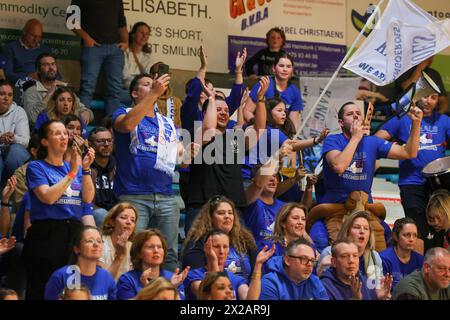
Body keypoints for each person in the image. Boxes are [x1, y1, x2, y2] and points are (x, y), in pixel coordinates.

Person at [112, 73, 184, 271]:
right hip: (134, 195)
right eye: (146, 84)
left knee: (168, 253)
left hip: (166, 195)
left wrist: (188, 153)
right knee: (131, 251)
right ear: (135, 93)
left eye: (153, 84)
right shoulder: (122, 112)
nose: (153, 86)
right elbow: (127, 125)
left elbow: (180, 160)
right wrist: (154, 93)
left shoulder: (168, 123)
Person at [22, 120, 95, 300]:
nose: (63, 136)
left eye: (64, 133)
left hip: (74, 233)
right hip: (46, 235)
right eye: (57, 133)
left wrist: (85, 170)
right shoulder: (36, 167)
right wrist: (71, 173)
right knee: (42, 289)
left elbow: (87, 198)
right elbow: (48, 197)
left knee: (71, 290)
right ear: (45, 141)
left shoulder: (75, 169)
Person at [375, 92, 450, 240]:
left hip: (438, 183)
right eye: (426, 96)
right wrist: (390, 146)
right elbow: (375, 140)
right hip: (411, 183)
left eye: (433, 97)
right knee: (419, 230)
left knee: (441, 229)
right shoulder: (402, 118)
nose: (429, 101)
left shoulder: (444, 120)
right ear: (417, 96)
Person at [322, 101, 422, 205]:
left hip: (364, 206)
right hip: (336, 206)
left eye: (358, 113)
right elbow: (339, 167)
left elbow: (409, 153)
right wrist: (356, 137)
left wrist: (416, 123)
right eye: (350, 114)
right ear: (341, 122)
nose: (355, 116)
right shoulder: (332, 140)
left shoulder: (372, 141)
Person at [70, 0, 128, 115]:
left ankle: (113, 126)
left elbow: (121, 23)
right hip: (93, 47)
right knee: (87, 87)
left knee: (115, 90)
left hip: (115, 49)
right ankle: (81, 126)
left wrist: (126, 42)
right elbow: (70, 20)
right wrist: (87, 38)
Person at [183, 229, 275, 300]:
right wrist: (213, 261)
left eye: (225, 247)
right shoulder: (194, 275)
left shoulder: (235, 279)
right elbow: (211, 296)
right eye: (216, 246)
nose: (222, 251)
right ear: (206, 248)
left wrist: (258, 265)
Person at [182, 196, 257, 280]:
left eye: (230, 213)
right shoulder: (197, 242)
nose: (227, 216)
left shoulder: (245, 240)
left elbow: (256, 273)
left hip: (245, 290)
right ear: (210, 218)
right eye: (221, 213)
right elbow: (195, 278)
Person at [44, 226, 116, 300]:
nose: (96, 244)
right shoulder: (60, 276)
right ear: (76, 249)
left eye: (99, 241)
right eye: (90, 241)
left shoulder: (106, 277)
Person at [116, 229, 189, 300]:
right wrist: (147, 291)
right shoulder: (127, 280)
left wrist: (172, 287)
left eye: (159, 247)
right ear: (139, 253)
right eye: (150, 247)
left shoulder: (173, 279)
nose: (156, 250)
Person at [22, 53, 92, 126]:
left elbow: (84, 110)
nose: (51, 67)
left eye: (53, 64)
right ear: (38, 70)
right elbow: (32, 119)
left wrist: (87, 113)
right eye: (46, 65)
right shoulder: (31, 91)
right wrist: (50, 92)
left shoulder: (65, 88)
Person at [317, 211, 383, 284]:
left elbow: (377, 287)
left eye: (366, 228)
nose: (362, 231)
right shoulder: (330, 252)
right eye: (357, 227)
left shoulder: (374, 257)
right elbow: (322, 285)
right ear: (347, 231)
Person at [244, 53, 302, 130]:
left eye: (288, 66)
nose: (285, 69)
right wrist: (258, 126)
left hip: (280, 133)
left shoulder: (295, 91)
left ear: (292, 70)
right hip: (258, 130)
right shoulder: (264, 83)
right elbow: (247, 111)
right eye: (281, 66)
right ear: (274, 69)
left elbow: (293, 124)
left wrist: (289, 137)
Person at [320, 240, 393, 300]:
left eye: (355, 256)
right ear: (334, 262)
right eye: (344, 256)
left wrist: (379, 298)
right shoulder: (324, 287)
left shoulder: (366, 282)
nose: (351, 261)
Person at [260, 238, 329, 300]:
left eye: (312, 260)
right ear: (288, 260)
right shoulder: (270, 283)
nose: (310, 264)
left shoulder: (315, 282)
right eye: (304, 258)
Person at [380, 218, 424, 290]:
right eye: (407, 235)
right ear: (395, 236)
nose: (411, 239)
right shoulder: (383, 258)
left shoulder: (420, 260)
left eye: (415, 235)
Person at [1, 19, 50, 83]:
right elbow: (7, 74)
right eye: (33, 36)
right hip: (22, 86)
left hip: (45, 85)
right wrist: (28, 76)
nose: (36, 40)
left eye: (39, 37)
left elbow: (56, 74)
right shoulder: (10, 48)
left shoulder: (45, 50)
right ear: (24, 32)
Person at [98, 202, 137, 281]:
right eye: (123, 217)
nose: (129, 222)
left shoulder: (134, 248)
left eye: (133, 220)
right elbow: (105, 281)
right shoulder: (99, 243)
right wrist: (119, 257)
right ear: (112, 222)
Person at [0, 80, 30, 181]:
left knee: (16, 150)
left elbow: (25, 141)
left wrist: (13, 138)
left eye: (10, 95)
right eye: (2, 94)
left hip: (12, 152)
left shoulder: (19, 112)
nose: (6, 98)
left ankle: (19, 192)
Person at [88, 127, 118, 227]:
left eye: (109, 140)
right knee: (101, 214)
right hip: (93, 211)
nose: (106, 144)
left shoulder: (117, 165)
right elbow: (87, 202)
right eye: (100, 141)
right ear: (90, 144)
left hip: (116, 210)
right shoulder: (85, 165)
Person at [121, 22, 152, 106]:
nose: (144, 36)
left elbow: (149, 78)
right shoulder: (124, 52)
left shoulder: (147, 57)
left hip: (143, 91)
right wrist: (141, 85)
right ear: (133, 34)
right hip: (125, 91)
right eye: (142, 33)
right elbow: (125, 78)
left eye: (147, 34)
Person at [149, 62, 183, 128]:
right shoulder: (144, 98)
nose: (162, 76)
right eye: (158, 73)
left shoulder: (176, 101)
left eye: (165, 73)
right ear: (151, 75)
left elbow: (179, 127)